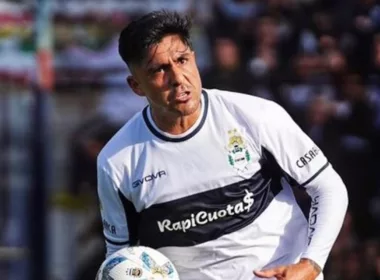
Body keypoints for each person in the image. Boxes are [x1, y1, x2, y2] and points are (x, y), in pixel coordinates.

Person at [97, 10, 348, 280]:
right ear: (136, 86)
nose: (178, 78)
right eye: (159, 70)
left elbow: (328, 187)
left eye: (182, 60)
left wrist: (311, 264)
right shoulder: (117, 162)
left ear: (194, 59)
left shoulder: (254, 115)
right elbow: (120, 256)